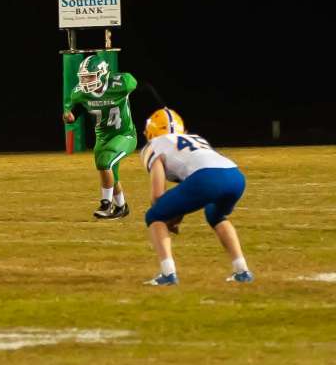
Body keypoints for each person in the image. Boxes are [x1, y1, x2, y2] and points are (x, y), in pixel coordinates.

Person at [139, 108, 253, 286]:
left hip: (207, 178)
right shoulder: (195, 138)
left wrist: (167, 217)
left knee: (154, 215)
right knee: (215, 215)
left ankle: (168, 274)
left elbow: (157, 195)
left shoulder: (154, 145)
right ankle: (242, 271)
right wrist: (176, 216)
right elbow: (187, 189)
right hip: (235, 176)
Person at [62, 55, 137, 219]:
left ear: (102, 73)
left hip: (124, 134)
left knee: (105, 162)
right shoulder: (80, 93)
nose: (86, 81)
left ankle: (106, 204)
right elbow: (79, 107)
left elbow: (134, 83)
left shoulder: (120, 84)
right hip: (102, 137)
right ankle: (121, 207)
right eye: (83, 77)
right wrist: (72, 116)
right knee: (111, 172)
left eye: (90, 76)